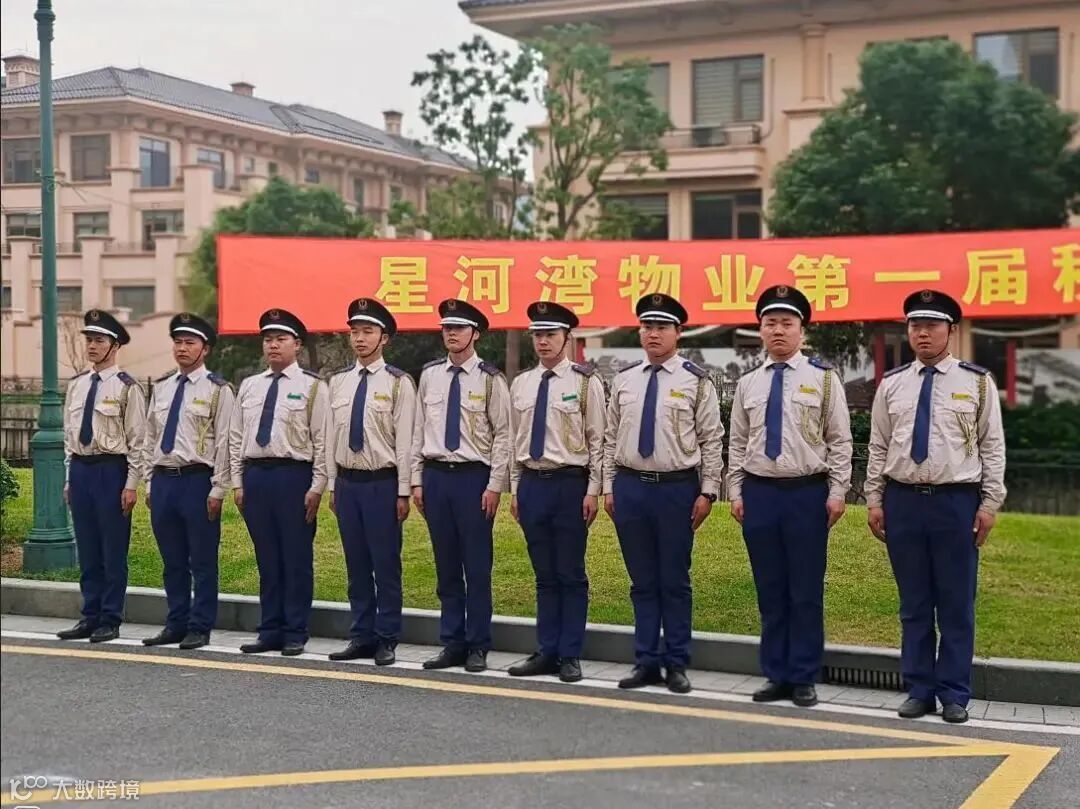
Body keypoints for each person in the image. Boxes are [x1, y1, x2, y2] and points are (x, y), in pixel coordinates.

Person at [865, 290, 1005, 724]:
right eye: (915, 325)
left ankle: (954, 693)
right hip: (903, 500)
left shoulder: (977, 382)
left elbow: (992, 447)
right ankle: (920, 689)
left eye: (931, 325)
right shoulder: (892, 384)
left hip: (955, 502)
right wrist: (874, 498)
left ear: (952, 330)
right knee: (914, 603)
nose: (922, 333)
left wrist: (989, 503)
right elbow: (878, 445)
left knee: (956, 603)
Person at [726, 285, 852, 708]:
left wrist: (838, 491)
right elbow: (738, 441)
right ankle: (776, 673)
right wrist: (736, 490)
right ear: (760, 330)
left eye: (787, 323)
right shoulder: (748, 383)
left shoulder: (824, 379)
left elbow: (840, 441)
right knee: (770, 588)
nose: (778, 330)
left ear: (802, 330)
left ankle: (803, 675)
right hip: (760, 493)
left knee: (805, 589)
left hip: (806, 494)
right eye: (770, 323)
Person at [603, 293, 725, 694]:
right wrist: (608, 486)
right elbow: (610, 438)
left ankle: (676, 662)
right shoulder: (624, 379)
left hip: (675, 490)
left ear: (678, 332)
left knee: (673, 580)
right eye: (647, 327)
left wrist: (708, 492)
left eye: (661, 327)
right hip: (630, 487)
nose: (653, 334)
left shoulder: (696, 381)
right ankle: (645, 661)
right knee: (641, 581)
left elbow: (711, 439)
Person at [411, 298, 511, 673]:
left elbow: (503, 435)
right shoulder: (430, 375)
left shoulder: (490, 379)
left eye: (459, 328)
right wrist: (417, 481)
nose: (451, 334)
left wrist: (495, 485)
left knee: (477, 567)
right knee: (446, 565)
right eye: (447, 328)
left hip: (473, 479)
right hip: (437, 477)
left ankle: (478, 644)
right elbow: (419, 430)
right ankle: (452, 642)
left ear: (475, 334)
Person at [507, 301, 605, 684]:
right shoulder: (522, 383)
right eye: (538, 335)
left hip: (569, 484)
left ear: (567, 337)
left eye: (550, 334)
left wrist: (593, 490)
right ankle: (547, 650)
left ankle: (570, 654)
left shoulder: (585, 382)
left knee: (570, 573)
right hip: (533, 484)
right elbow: (515, 440)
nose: (543, 341)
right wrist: (515, 489)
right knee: (544, 574)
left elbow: (598, 441)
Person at [229, 308, 329, 657]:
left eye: (281, 339)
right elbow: (235, 436)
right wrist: (238, 482)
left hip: (293, 477)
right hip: (256, 476)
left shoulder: (312, 387)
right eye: (268, 339)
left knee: (296, 557)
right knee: (267, 558)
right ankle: (269, 629)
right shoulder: (250, 386)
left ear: (297, 344)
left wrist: (317, 486)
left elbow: (322, 440)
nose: (273, 345)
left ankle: (295, 630)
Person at [326, 298, 416, 666]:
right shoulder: (338, 382)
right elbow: (330, 437)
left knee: (385, 563)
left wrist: (403, 490)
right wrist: (332, 484)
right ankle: (361, 635)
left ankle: (387, 637)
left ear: (384, 338)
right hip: (348, 484)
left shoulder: (398, 383)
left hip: (382, 483)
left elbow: (406, 441)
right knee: (356, 564)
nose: (360, 339)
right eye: (355, 332)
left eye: (368, 332)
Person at [141, 313, 235, 650]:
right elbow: (150, 437)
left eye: (189, 343)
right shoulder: (162, 388)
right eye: (178, 342)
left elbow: (225, 442)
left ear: (204, 349)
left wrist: (219, 488)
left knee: (202, 560)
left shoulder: (218, 391)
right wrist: (148, 482)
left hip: (197, 481)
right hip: (164, 481)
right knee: (172, 560)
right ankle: (175, 622)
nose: (182, 348)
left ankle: (200, 625)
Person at [56, 309, 146, 643]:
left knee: (112, 549)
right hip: (82, 469)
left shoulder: (127, 388)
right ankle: (89, 615)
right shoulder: (77, 385)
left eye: (99, 340)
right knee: (88, 548)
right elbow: (69, 436)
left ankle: (110, 618)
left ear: (115, 345)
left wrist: (131, 484)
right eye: (90, 340)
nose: (92, 346)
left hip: (111, 470)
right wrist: (69, 478)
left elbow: (138, 441)